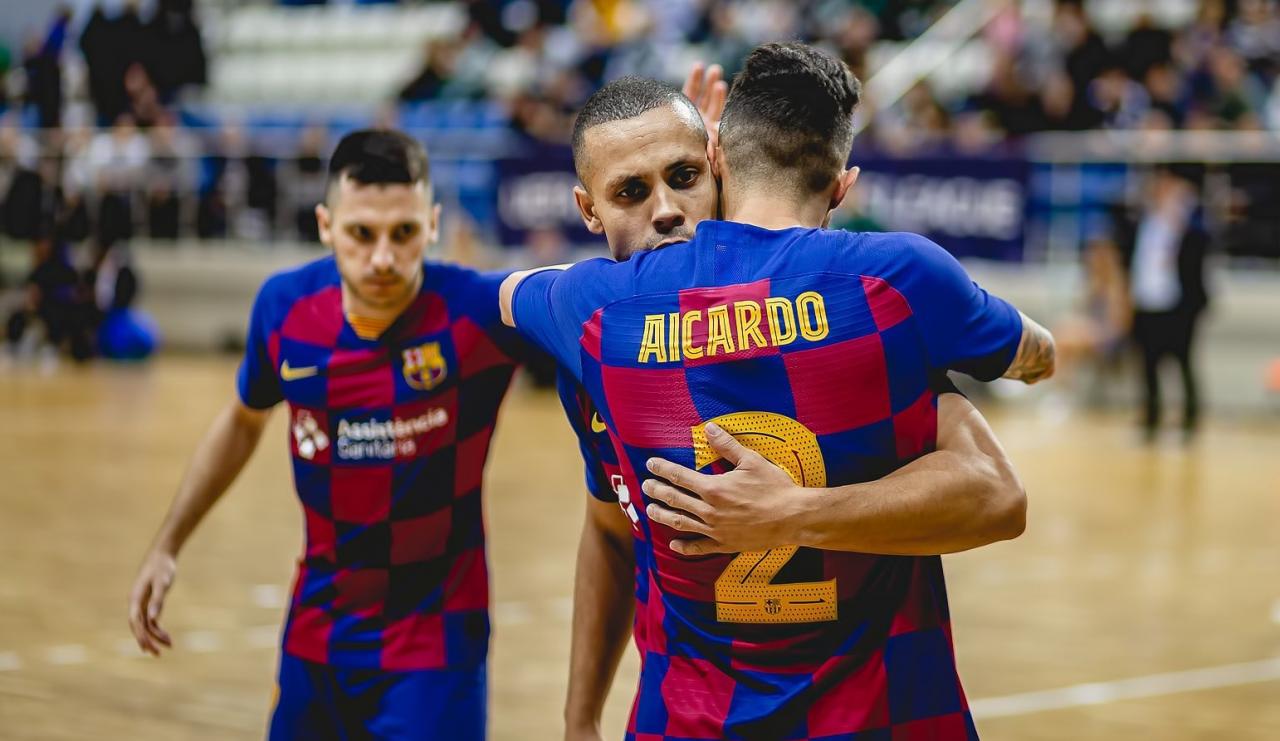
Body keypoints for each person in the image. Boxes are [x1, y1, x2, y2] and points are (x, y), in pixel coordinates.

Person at [506, 45, 1053, 738]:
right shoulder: (880, 296)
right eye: (632, 192)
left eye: (685, 175)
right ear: (588, 209)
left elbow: (509, 291)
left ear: (721, 166)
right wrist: (579, 720)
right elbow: (611, 532)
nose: (669, 211)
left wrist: (793, 514)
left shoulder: (594, 322)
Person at [127, 130, 526, 740]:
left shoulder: (479, 313)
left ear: (434, 223)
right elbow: (242, 419)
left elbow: (609, 292)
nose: (384, 258)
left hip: (435, 646)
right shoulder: (284, 307)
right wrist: (167, 544)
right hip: (317, 634)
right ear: (325, 225)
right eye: (362, 234)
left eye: (405, 233)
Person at [1114, 165, 1210, 441]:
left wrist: (1179, 219)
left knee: (1183, 362)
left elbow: (1202, 248)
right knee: (1147, 363)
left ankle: (1190, 419)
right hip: (1146, 303)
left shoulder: (1189, 227)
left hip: (1179, 305)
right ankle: (1151, 417)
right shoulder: (1141, 224)